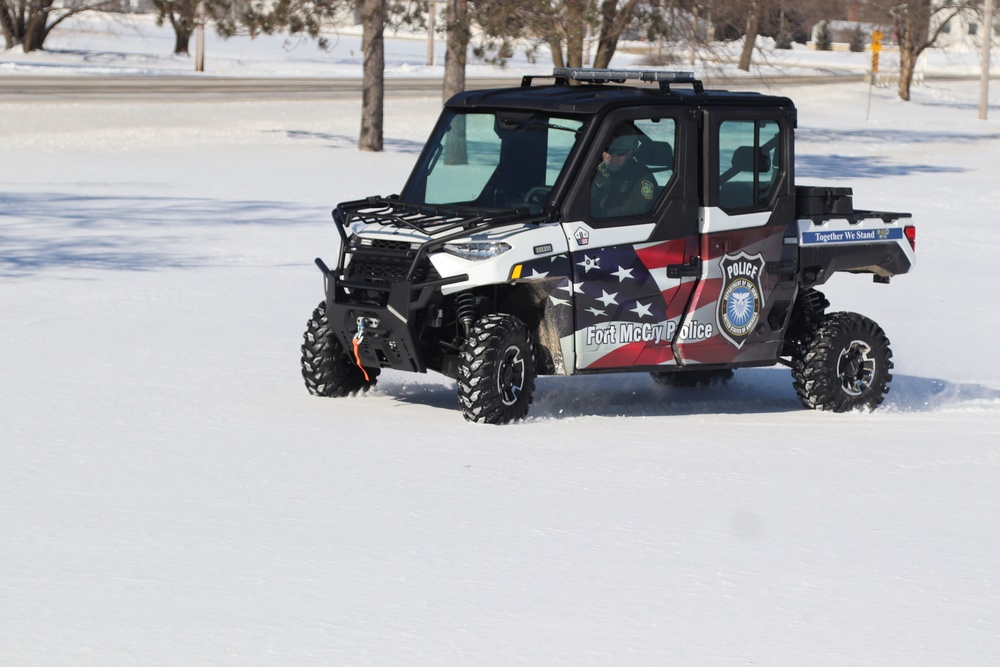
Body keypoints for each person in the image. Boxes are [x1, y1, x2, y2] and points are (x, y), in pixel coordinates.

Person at [590, 128, 658, 219]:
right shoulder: (593, 170)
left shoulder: (641, 177)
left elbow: (636, 210)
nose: (613, 157)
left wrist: (598, 214)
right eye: (609, 150)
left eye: (620, 152)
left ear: (630, 152)